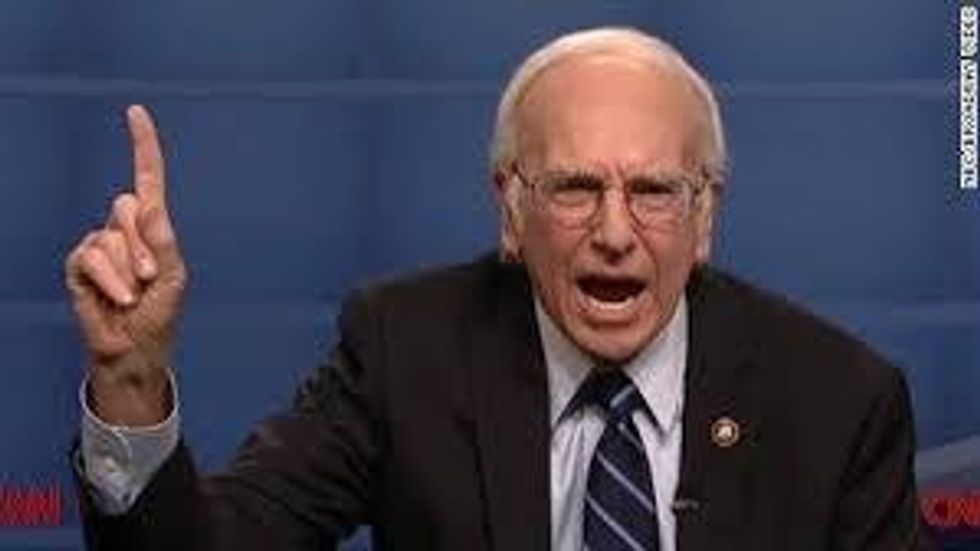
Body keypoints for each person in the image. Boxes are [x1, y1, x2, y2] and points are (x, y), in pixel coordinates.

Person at [66, 27, 929, 550]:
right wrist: (132, 379)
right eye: (575, 188)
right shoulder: (405, 350)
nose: (616, 232)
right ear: (511, 210)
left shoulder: (838, 400)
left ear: (704, 218)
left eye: (655, 191)